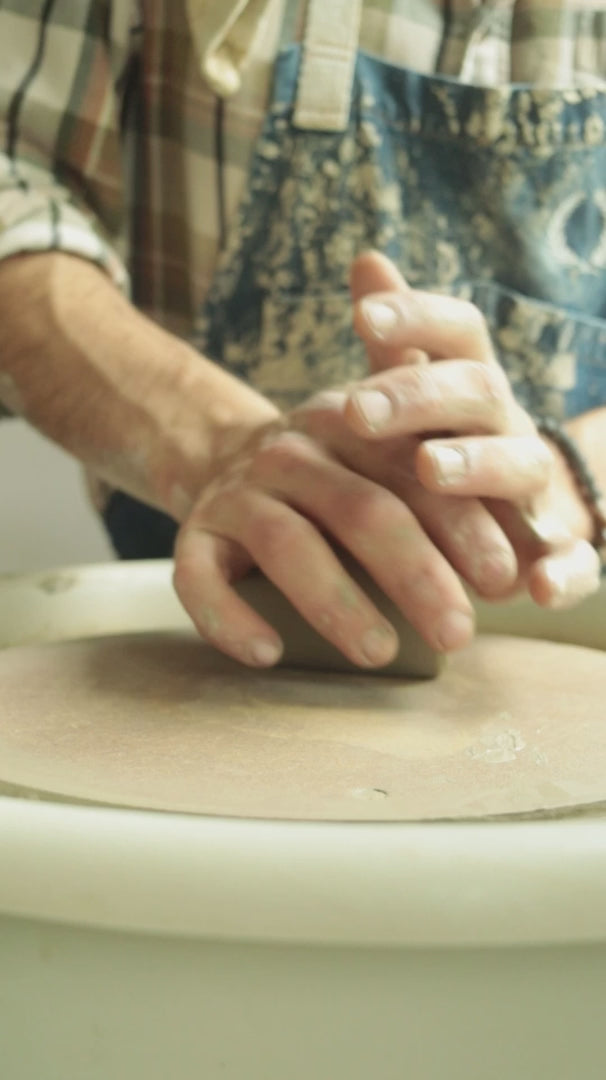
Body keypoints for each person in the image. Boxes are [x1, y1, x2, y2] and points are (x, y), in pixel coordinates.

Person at [0, 0, 604, 671]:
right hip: (195, 619)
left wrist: (568, 479)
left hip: (557, 617)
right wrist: (226, 446)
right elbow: (13, 174)